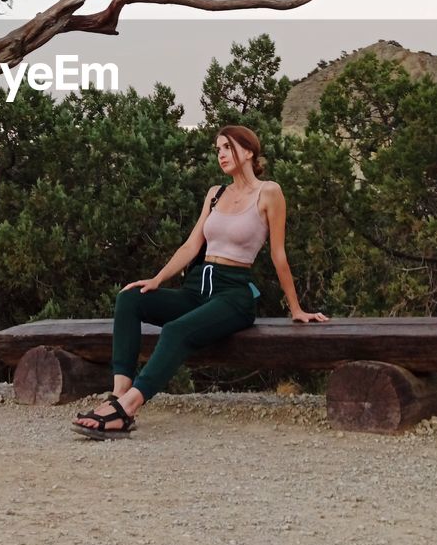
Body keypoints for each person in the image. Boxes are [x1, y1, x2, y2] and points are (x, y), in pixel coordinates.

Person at [72, 125, 330, 440]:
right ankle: (118, 394)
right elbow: (192, 246)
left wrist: (296, 308)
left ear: (248, 152)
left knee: (176, 330)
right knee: (130, 299)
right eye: (217, 148)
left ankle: (127, 409)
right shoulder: (215, 194)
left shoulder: (269, 192)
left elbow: (279, 255)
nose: (220, 154)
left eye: (227, 147)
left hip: (233, 293)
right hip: (197, 288)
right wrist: (156, 279)